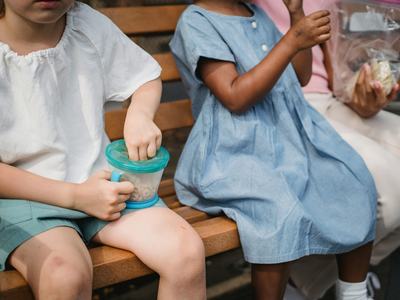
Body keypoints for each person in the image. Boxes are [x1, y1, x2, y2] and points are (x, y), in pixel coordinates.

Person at [170, 0, 377, 299]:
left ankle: (354, 293)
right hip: (234, 152)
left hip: (287, 135)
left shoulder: (256, 13)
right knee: (279, 211)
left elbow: (301, 76)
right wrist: (292, 41)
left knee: (353, 180)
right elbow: (234, 96)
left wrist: (296, 17)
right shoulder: (196, 22)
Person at [0, 1, 206, 299]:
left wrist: (139, 114)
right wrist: (75, 196)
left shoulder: (86, 25)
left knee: (185, 251)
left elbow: (145, 78)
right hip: (25, 198)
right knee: (64, 275)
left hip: (104, 188)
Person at [254, 0, 400, 298]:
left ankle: (308, 281)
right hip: (280, 106)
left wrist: (360, 96)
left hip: (329, 102)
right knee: (382, 184)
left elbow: (330, 63)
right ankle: (344, 283)